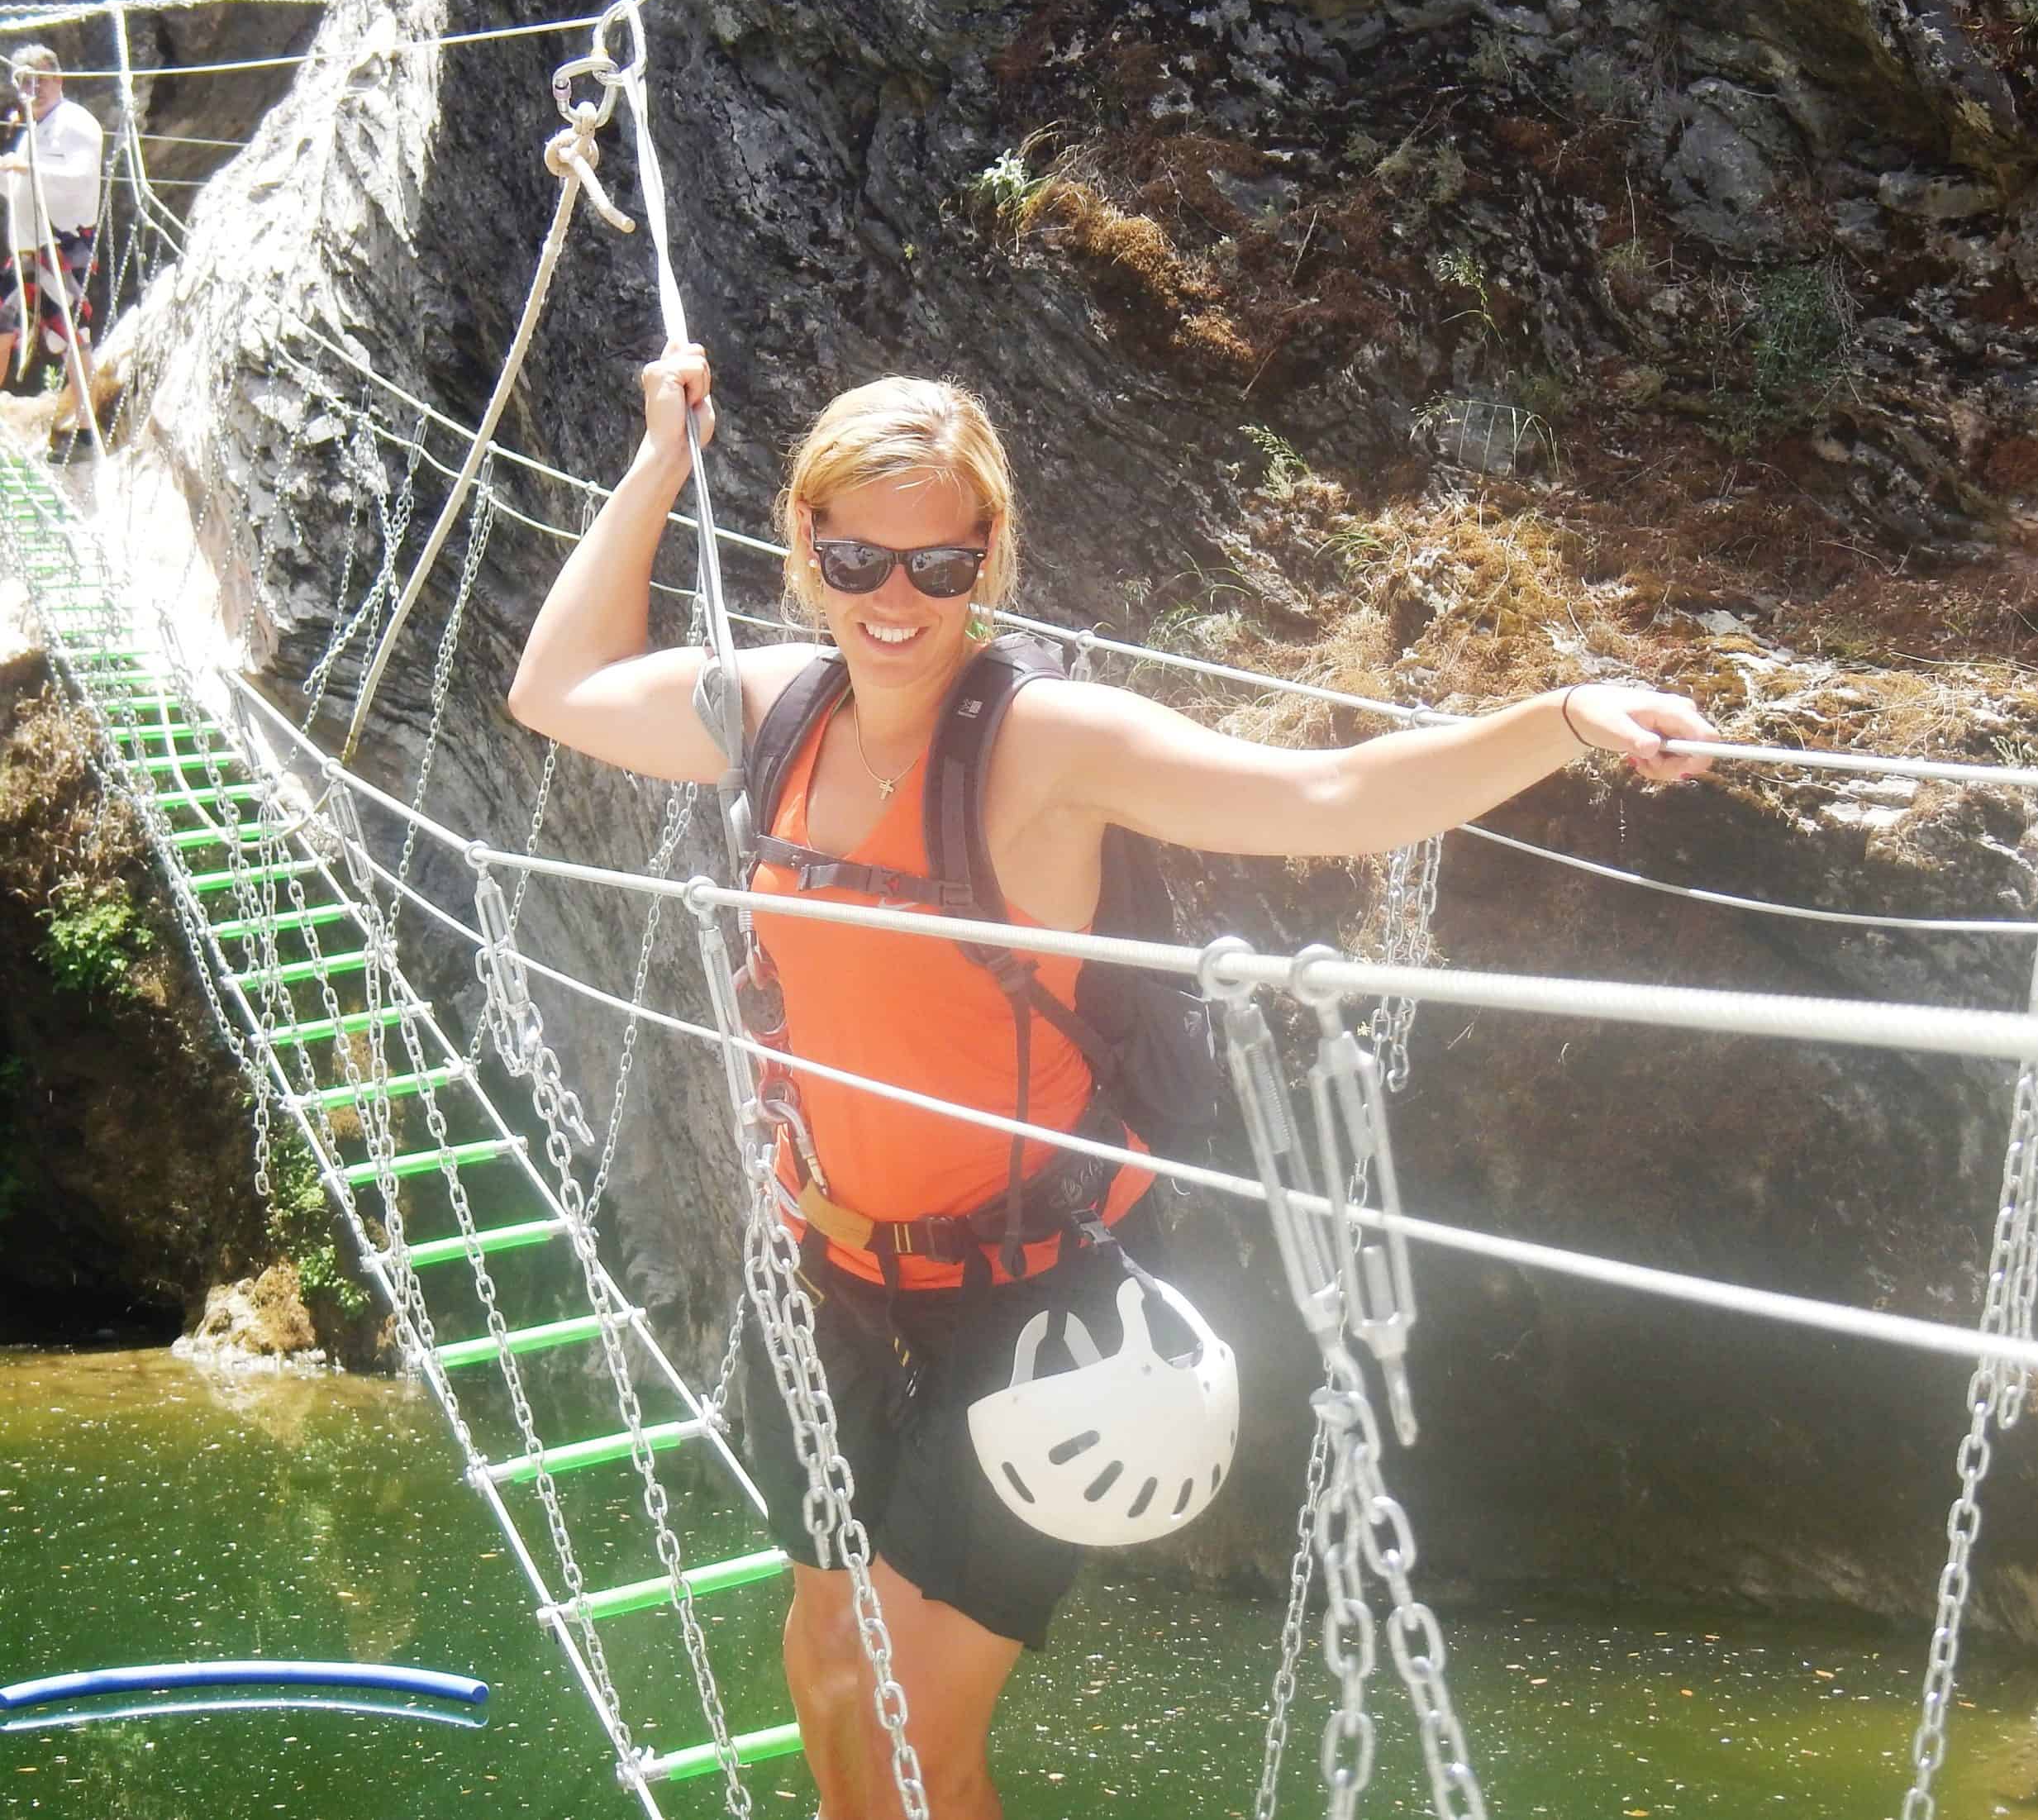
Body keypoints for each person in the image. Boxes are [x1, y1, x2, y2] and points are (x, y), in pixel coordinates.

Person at [508, 343, 1717, 1819]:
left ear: (991, 558)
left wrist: (1560, 719)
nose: (895, 601)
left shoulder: (1048, 742)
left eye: (940, 564)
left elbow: (1324, 796)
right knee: (829, 1672)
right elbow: (556, 688)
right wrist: (659, 462)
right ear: (805, 547)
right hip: (829, 1274)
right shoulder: (775, 714)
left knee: (909, 1737)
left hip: (1036, 1306)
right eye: (857, 558)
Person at [0, 45, 104, 397]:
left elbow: (81, 175)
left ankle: (90, 420)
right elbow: (19, 188)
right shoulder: (32, 130)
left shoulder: (75, 122)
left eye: (40, 80)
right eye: (24, 82)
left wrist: (26, 167)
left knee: (71, 335)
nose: (33, 89)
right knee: (3, 326)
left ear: (58, 79)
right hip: (28, 249)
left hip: (63, 242)